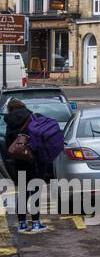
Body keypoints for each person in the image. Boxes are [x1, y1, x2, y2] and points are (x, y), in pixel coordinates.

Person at [4, 99, 51, 234]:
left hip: (19, 162)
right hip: (34, 161)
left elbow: (8, 143)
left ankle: (22, 224)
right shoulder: (32, 118)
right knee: (35, 192)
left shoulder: (9, 122)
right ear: (23, 106)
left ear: (10, 109)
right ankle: (36, 223)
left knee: (22, 193)